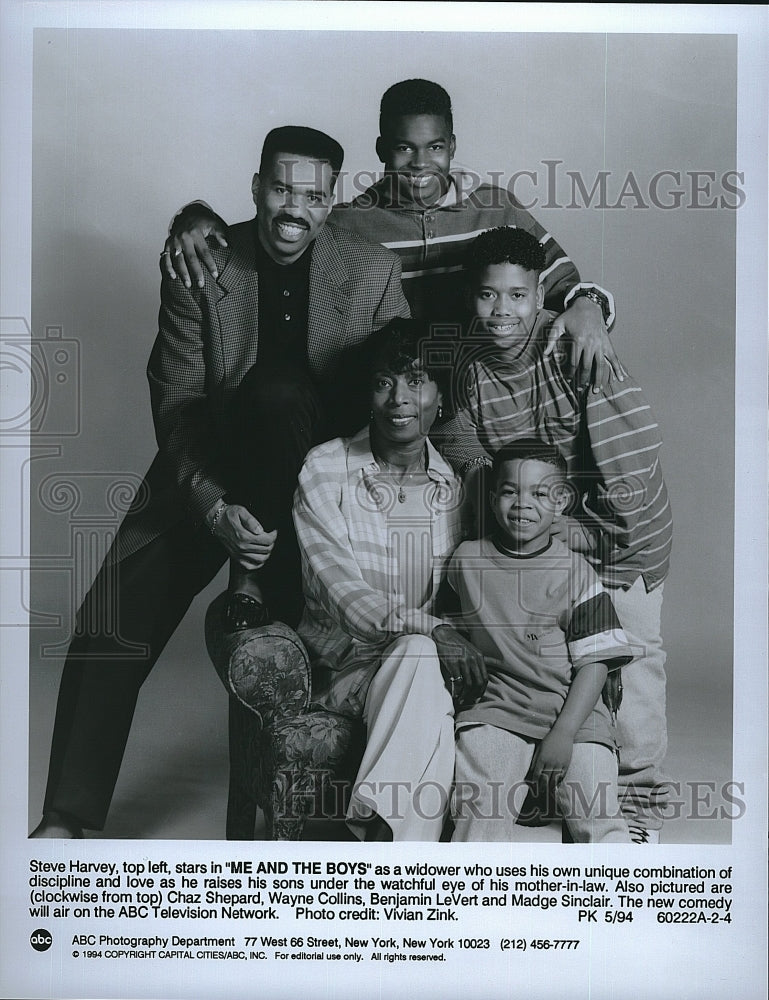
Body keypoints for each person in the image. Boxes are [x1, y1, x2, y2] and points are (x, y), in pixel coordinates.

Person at [31, 126, 409, 839]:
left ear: (332, 201)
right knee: (109, 615)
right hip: (214, 461)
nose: (293, 208)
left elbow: (395, 395)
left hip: (314, 483)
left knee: (280, 393)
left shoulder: (371, 272)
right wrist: (211, 504)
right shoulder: (202, 261)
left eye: (312, 195)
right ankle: (67, 818)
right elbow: (177, 405)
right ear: (256, 185)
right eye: (279, 189)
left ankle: (260, 586)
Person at [436, 226, 673, 842]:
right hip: (549, 532)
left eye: (518, 296)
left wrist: (585, 536)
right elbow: (479, 459)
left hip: (622, 535)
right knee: (558, 658)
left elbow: (632, 464)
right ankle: (546, 786)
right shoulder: (468, 365)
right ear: (471, 296)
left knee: (633, 660)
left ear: (542, 293)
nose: (502, 312)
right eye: (488, 297)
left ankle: (634, 805)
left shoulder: (575, 345)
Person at [164, 79, 624, 388]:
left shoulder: (497, 205)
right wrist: (195, 217)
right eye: (404, 148)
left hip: (489, 387)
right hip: (391, 395)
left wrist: (590, 305)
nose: (421, 164)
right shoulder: (348, 222)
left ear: (452, 147)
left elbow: (564, 285)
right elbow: (278, 228)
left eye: (435, 147)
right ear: (382, 148)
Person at [292, 319, 485, 841]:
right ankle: (403, 865)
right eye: (384, 382)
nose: (399, 398)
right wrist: (436, 633)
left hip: (426, 671)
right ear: (368, 392)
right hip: (347, 665)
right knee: (420, 655)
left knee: (421, 663)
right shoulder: (326, 469)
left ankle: (384, 845)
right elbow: (346, 597)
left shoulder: (458, 489)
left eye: (417, 380)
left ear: (441, 396)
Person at [448, 440, 633, 843]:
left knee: (600, 820)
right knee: (481, 812)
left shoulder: (576, 570)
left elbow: (595, 663)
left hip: (574, 716)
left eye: (539, 493)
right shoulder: (465, 561)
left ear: (561, 502)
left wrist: (563, 734)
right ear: (493, 496)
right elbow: (444, 628)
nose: (522, 504)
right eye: (510, 491)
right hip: (496, 709)